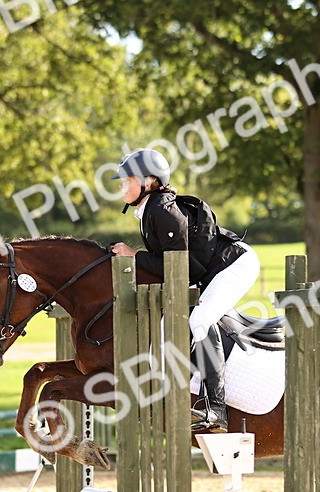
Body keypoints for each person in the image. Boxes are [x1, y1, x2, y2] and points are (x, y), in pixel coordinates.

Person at [108, 149, 258, 433]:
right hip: (211, 271)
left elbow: (176, 266)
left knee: (199, 320)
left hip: (235, 265)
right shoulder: (150, 209)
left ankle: (216, 410)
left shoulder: (162, 210)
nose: (121, 185)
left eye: (127, 180)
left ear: (148, 182)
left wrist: (133, 256)